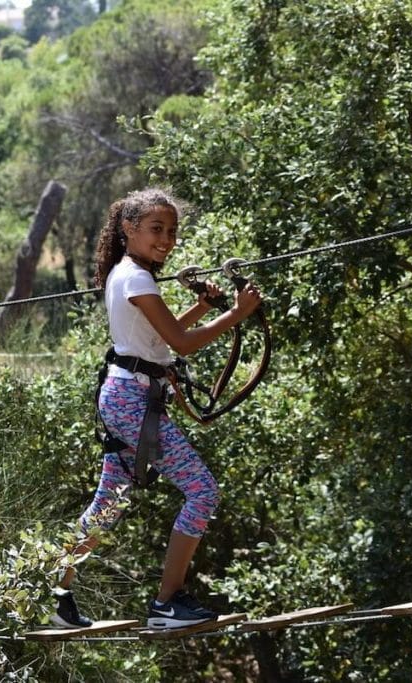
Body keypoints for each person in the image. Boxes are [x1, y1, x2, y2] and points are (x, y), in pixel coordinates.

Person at [51, 188, 264, 630]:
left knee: (108, 505)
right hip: (132, 401)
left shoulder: (127, 273)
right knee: (203, 491)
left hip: (129, 398)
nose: (166, 239)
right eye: (155, 230)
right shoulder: (137, 278)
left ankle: (54, 593)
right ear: (129, 229)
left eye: (171, 231)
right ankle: (167, 604)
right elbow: (181, 344)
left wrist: (202, 307)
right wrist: (237, 315)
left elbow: (158, 339)